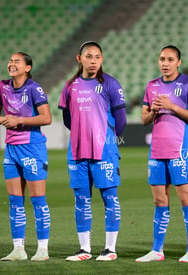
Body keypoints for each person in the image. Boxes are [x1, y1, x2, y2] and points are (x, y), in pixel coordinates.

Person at [58, 41, 126, 262]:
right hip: (77, 151)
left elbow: (121, 120)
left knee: (109, 198)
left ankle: (110, 249)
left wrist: (107, 137)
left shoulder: (111, 84)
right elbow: (67, 119)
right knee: (81, 199)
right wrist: (82, 133)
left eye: (97, 56)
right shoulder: (70, 86)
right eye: (89, 56)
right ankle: (85, 249)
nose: (93, 60)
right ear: (80, 59)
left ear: (102, 59)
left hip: (104, 150)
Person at [135, 45, 188, 263]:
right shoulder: (152, 86)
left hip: (180, 150)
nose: (165, 63)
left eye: (170, 59)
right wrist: (154, 109)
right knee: (159, 200)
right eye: (162, 59)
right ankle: (157, 250)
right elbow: (144, 120)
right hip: (157, 150)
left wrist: (171, 106)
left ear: (178, 62)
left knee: (186, 199)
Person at [0, 52, 52, 261]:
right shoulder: (2, 87)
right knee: (15, 200)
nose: (11, 64)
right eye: (10, 60)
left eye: (17, 61)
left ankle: (42, 249)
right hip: (11, 149)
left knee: (37, 199)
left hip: (32, 148)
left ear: (27, 67)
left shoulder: (34, 88)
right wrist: (5, 120)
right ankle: (18, 249)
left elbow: (47, 117)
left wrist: (19, 121)